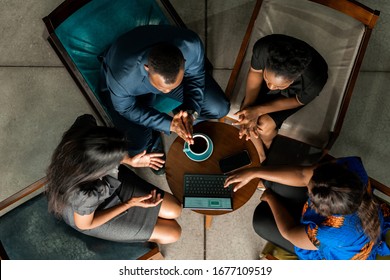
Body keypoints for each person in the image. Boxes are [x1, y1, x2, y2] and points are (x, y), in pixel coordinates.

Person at [99, 25, 230, 174]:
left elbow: (196, 77)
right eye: (163, 89)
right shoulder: (122, 77)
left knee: (219, 107)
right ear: (147, 68)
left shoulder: (191, 45)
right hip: (130, 92)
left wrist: (191, 111)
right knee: (136, 147)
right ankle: (152, 135)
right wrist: (168, 125)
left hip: (160, 70)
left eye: (172, 87)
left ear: (183, 61)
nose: (168, 92)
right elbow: (126, 109)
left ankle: (180, 113)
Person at [46, 114, 182, 244]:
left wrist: (130, 161)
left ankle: (143, 228)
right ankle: (140, 234)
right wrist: (129, 204)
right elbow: (85, 225)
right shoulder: (84, 195)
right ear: (100, 168)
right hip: (90, 216)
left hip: (106, 183)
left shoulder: (84, 128)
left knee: (176, 209)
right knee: (174, 233)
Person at [224, 156, 390, 259]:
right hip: (356, 227)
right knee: (279, 184)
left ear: (322, 212)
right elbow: (304, 175)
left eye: (309, 192)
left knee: (260, 219)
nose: (306, 185)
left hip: (340, 249)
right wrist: (255, 172)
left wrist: (270, 197)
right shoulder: (353, 169)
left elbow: (289, 232)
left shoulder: (331, 232)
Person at [233, 34, 328, 162]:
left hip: (294, 97)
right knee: (246, 115)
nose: (271, 87)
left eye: (278, 86)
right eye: (267, 78)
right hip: (270, 78)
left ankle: (266, 146)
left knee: (264, 124)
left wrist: (259, 110)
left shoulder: (314, 81)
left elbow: (297, 101)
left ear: (294, 79)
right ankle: (261, 156)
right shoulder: (262, 48)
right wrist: (248, 107)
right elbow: (255, 72)